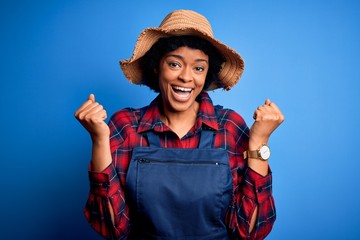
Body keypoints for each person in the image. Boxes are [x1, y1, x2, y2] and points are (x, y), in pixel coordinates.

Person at [75, 9, 284, 240]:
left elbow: (249, 232)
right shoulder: (126, 126)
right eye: (175, 64)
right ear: (157, 66)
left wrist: (260, 143)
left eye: (198, 68)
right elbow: (114, 229)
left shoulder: (230, 126)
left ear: (207, 74)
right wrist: (98, 141)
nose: (186, 77)